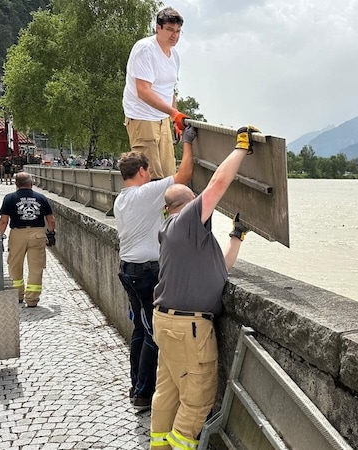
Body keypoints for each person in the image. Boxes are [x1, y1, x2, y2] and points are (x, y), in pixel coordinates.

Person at [149, 125, 259, 449]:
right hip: (189, 329)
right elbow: (218, 184)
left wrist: (236, 237)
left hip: (168, 323)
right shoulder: (185, 224)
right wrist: (241, 147)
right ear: (192, 203)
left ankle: (158, 445)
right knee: (196, 399)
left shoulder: (179, 237)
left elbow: (218, 270)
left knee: (167, 393)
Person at [114, 125, 196, 413]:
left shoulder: (121, 199)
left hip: (129, 269)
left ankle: (136, 383)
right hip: (145, 273)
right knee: (153, 333)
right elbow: (183, 177)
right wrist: (187, 144)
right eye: (148, 172)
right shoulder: (145, 193)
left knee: (140, 328)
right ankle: (143, 393)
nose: (150, 175)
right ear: (142, 172)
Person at [122, 6, 190, 180]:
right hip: (142, 117)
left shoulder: (174, 55)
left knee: (169, 176)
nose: (174, 35)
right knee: (150, 177)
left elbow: (169, 90)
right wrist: (174, 113)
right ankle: (152, 208)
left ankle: (167, 207)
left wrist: (174, 119)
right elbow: (143, 91)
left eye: (178, 31)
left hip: (162, 119)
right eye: (169, 30)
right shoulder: (145, 49)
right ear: (158, 28)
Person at [0, 172, 56, 307]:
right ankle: (32, 299)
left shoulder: (9, 198)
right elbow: (51, 220)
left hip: (17, 234)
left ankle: (17, 295)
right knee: (36, 267)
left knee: (15, 264)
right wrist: (51, 233)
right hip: (37, 234)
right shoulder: (41, 198)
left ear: (16, 184)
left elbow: (4, 221)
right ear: (31, 183)